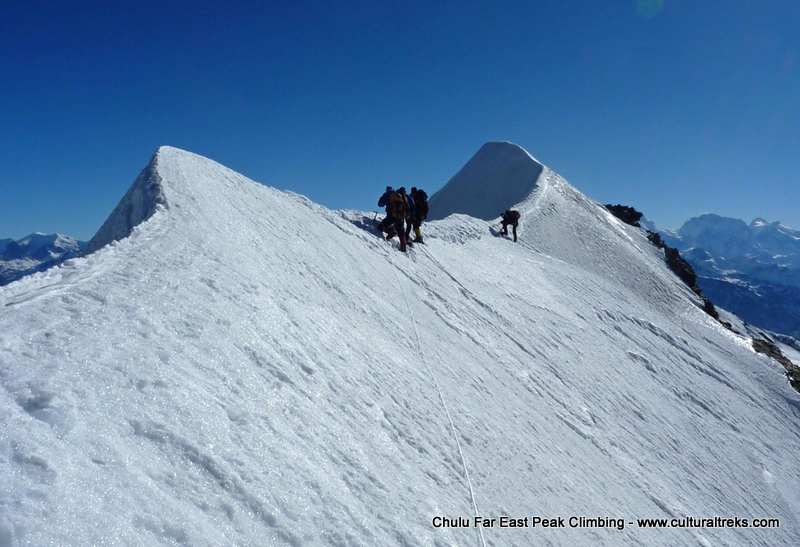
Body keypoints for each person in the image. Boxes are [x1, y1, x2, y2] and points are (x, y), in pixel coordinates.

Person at [377, 187, 409, 252]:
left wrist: (383, 196)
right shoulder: (399, 196)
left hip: (392, 215)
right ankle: (403, 246)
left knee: (382, 226)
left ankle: (391, 231)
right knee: (401, 231)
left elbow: (380, 204)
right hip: (401, 216)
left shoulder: (388, 196)